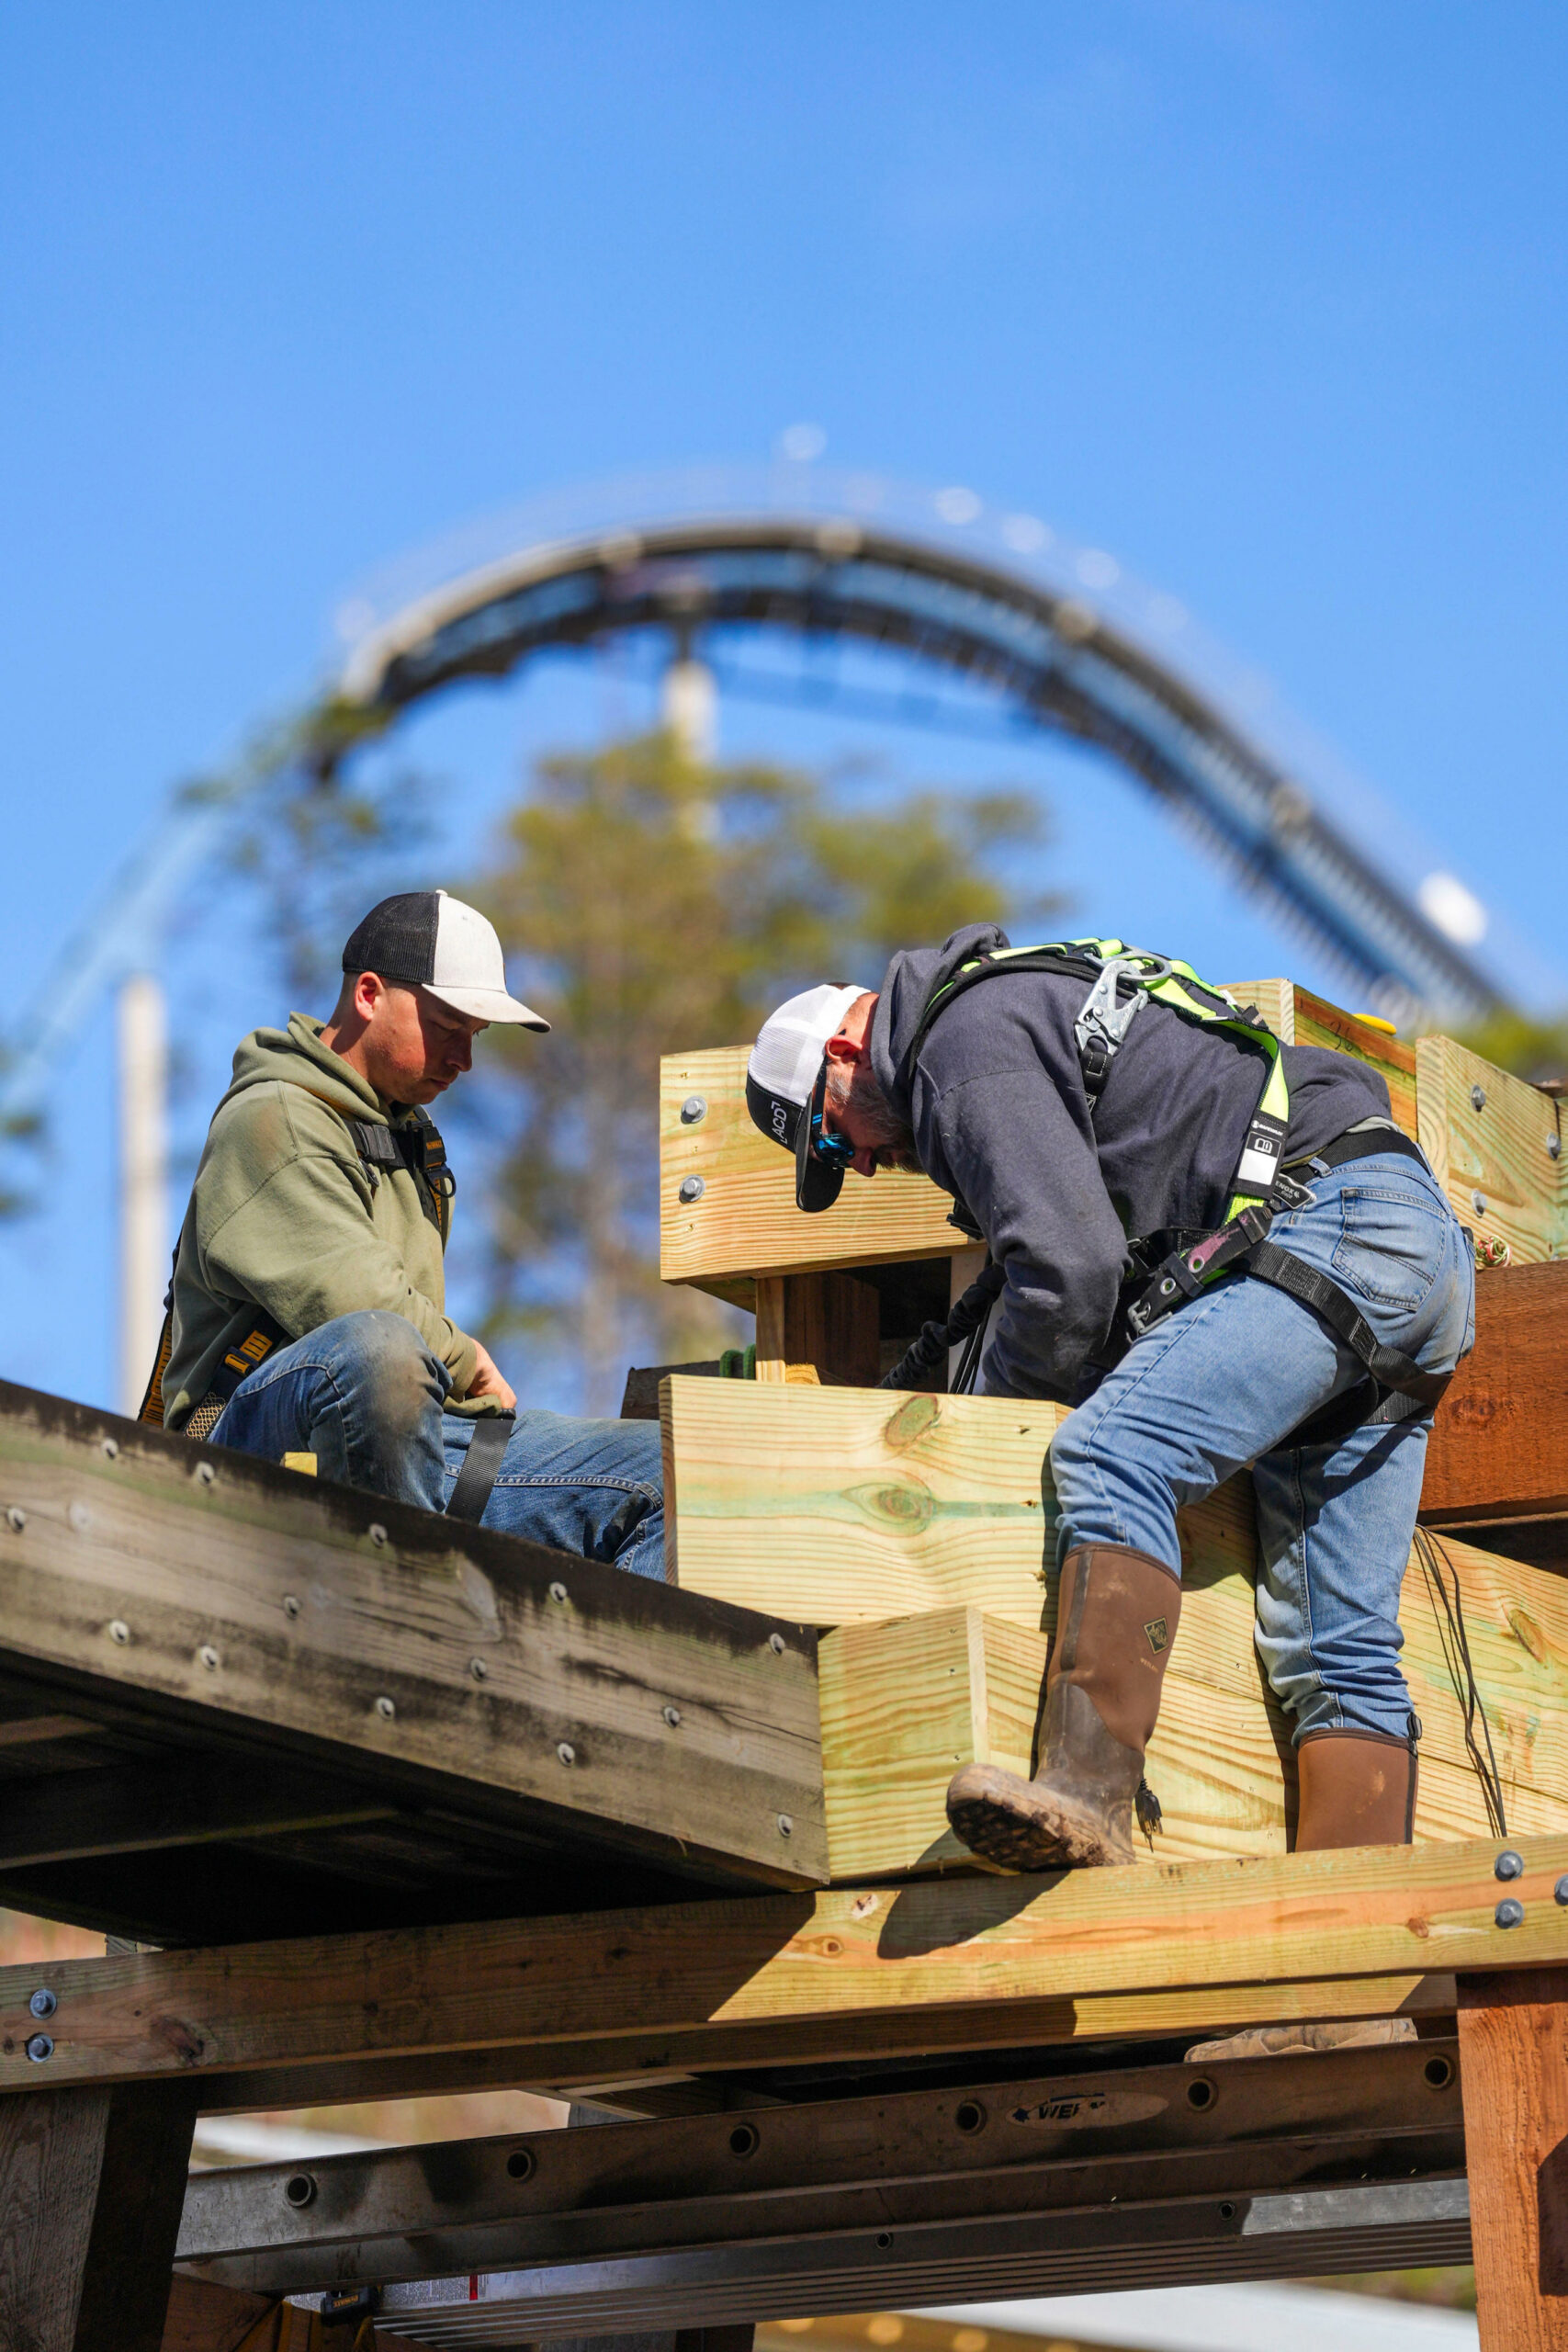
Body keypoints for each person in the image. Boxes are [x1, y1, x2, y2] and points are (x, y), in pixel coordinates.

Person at [747, 926, 1473, 1889]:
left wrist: (986, 1443)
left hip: (1334, 1228)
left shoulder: (956, 1045)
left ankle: (1087, 1797)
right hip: (1406, 1249)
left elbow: (1068, 1272)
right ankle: (1357, 1973)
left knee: (1108, 1457)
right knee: (1334, 1646)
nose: (869, 1167)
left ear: (847, 1053)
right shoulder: (1011, 1014)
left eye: (834, 1138)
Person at [147, 888, 664, 1578]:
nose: (463, 1059)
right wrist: (470, 1361)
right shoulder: (275, 1119)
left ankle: (615, 1678)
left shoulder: (403, 1138)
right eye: (448, 1026)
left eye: (475, 1037)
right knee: (379, 1349)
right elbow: (363, 1304)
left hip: (404, 1438)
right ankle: (405, 1621)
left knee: (665, 1471)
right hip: (254, 1441)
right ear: (368, 995)